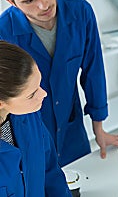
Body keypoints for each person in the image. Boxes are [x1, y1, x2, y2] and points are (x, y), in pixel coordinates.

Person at [0, 0, 118, 167]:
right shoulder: (3, 32)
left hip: (71, 128)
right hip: (28, 134)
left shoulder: (80, 11)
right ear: (11, 2)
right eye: (29, 1)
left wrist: (99, 130)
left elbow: (93, 71)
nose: (43, 5)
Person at [0, 41, 71, 196]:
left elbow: (51, 172)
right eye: (31, 94)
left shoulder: (29, 115)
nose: (43, 94)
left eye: (38, 85)